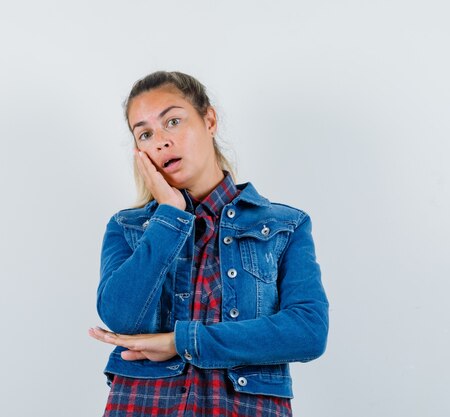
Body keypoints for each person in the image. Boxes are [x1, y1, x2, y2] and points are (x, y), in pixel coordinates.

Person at [88, 71, 329, 417]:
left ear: (209, 120)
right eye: (145, 133)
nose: (161, 141)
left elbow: (308, 331)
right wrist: (170, 216)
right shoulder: (129, 227)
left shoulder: (283, 225)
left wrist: (181, 341)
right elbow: (122, 317)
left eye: (173, 121)